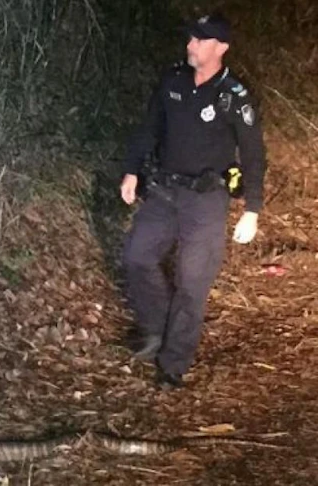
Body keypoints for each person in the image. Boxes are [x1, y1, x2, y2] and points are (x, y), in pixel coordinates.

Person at [119, 13, 267, 390]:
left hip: (206, 201)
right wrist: (132, 170)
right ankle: (156, 328)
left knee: (192, 282)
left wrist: (252, 209)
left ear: (220, 47)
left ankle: (173, 362)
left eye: (199, 40)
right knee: (137, 256)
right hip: (165, 192)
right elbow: (149, 127)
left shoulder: (234, 96)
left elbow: (253, 153)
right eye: (190, 39)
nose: (190, 45)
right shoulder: (172, 81)